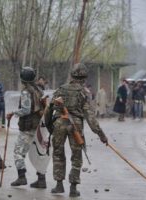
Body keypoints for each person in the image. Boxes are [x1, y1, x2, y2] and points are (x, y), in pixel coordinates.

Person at [44, 63, 108, 197]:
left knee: (58, 154)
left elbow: (49, 109)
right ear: (84, 78)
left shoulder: (61, 89)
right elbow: (90, 116)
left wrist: (50, 126)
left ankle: (59, 185)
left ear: (72, 75)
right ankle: (73, 188)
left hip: (59, 123)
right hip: (76, 126)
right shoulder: (84, 93)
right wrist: (101, 134)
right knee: (77, 156)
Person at [6, 66, 47, 188]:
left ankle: (21, 177)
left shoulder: (26, 91)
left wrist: (13, 113)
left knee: (18, 152)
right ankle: (41, 179)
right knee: (39, 153)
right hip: (39, 126)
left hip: (28, 127)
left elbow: (26, 110)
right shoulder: (39, 90)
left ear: (22, 78)